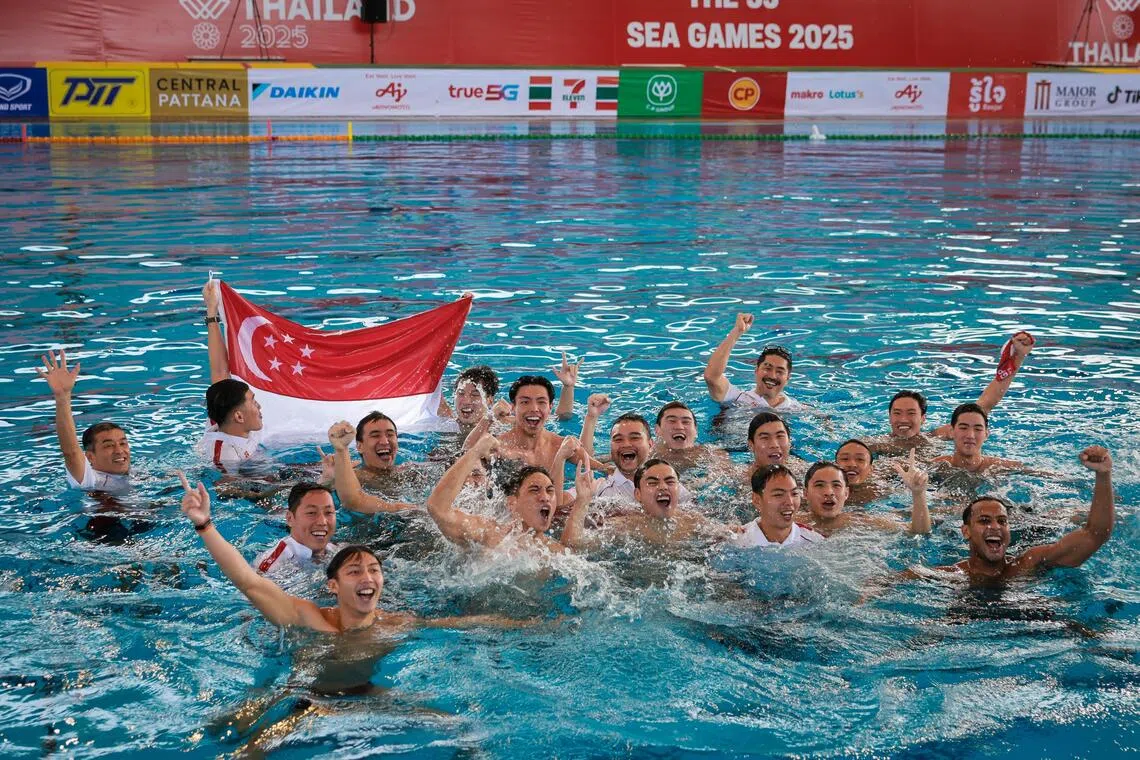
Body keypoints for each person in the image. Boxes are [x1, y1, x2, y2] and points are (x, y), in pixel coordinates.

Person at [179, 473, 534, 634]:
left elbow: (455, 625)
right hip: (310, 695)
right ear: (332, 586)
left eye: (372, 570)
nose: (366, 577)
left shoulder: (388, 621)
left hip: (363, 691)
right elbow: (249, 582)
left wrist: (529, 626)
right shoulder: (312, 619)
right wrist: (205, 525)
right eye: (354, 572)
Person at [935, 446, 1114, 582]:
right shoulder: (950, 575)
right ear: (966, 531)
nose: (995, 526)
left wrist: (1103, 475)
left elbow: (1095, 534)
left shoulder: (1028, 564)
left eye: (1002, 521)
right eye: (984, 520)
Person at [425, 436, 595, 552]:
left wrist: (582, 501)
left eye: (550, 491)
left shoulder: (549, 548)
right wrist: (476, 451)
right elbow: (437, 509)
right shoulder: (490, 534)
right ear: (512, 503)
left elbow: (573, 551)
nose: (545, 497)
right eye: (534, 490)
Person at [876, 331, 1035, 452]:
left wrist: (1018, 357)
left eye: (911, 413)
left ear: (923, 418)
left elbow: (984, 406)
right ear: (889, 417)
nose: (903, 419)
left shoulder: (936, 437)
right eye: (897, 413)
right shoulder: (874, 445)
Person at [562, 459, 732, 549]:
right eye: (652, 483)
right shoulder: (625, 526)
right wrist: (582, 502)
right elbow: (573, 545)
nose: (663, 487)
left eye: (670, 481)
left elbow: (732, 536)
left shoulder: (694, 521)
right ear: (638, 495)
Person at [38, 350, 131, 493]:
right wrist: (63, 396)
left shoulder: (137, 474)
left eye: (123, 443)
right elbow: (71, 452)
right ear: (90, 457)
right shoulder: (90, 479)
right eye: (108, 446)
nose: (119, 451)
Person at [799, 453, 931, 537]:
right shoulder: (790, 524)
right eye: (819, 485)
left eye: (836, 485)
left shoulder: (862, 523)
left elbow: (918, 532)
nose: (829, 492)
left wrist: (918, 493)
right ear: (805, 493)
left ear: (846, 493)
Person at [704, 313, 809, 412]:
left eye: (780, 371)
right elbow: (712, 377)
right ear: (756, 371)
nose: (772, 375)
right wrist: (737, 331)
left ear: (787, 378)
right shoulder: (736, 398)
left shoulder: (795, 408)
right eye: (767, 368)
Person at [472, 375, 567, 472]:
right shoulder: (499, 448)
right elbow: (465, 458)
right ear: (513, 407)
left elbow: (583, 460)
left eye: (541, 402)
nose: (534, 408)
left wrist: (568, 387)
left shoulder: (561, 446)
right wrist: (490, 416)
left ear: (550, 407)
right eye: (525, 402)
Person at [324, 421, 417, 514]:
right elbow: (352, 502)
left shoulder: (412, 470)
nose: (385, 441)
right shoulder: (353, 475)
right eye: (375, 436)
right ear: (360, 446)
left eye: (390, 434)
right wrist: (327, 480)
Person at [254, 482, 342, 575]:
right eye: (311, 513)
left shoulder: (338, 552)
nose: (322, 522)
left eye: (328, 512)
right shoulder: (273, 565)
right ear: (290, 518)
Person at [734, 465, 824, 549]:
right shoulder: (738, 541)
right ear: (757, 500)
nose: (790, 502)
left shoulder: (814, 541)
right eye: (778, 495)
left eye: (794, 494)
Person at [931, 403, 1019, 474]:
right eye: (963, 428)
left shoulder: (1003, 468)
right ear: (951, 432)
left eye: (978, 429)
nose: (970, 435)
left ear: (986, 434)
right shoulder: (934, 467)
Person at [199, 378, 264, 473]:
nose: (259, 406)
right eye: (253, 402)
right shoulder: (227, 456)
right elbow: (227, 486)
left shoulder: (225, 418)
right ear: (239, 416)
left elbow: (220, 394)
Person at [653, 401, 731, 472]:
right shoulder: (649, 454)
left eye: (686, 422)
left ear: (696, 430)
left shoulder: (710, 453)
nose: (679, 427)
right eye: (672, 421)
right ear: (657, 430)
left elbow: (730, 474)